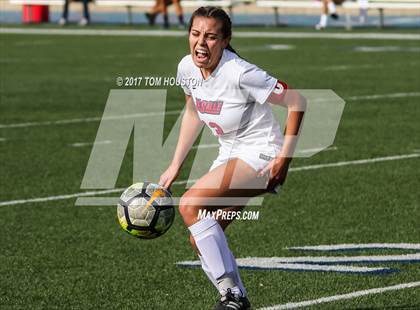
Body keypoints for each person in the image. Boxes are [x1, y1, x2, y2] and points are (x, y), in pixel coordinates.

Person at [159, 6, 306, 310]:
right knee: (200, 237)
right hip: (230, 153)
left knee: (189, 204)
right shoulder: (187, 68)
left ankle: (231, 295)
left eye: (211, 37)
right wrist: (175, 165)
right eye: (196, 34)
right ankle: (237, 299)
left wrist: (284, 158)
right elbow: (192, 111)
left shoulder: (240, 71)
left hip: (262, 153)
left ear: (225, 41)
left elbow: (296, 101)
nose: (201, 43)